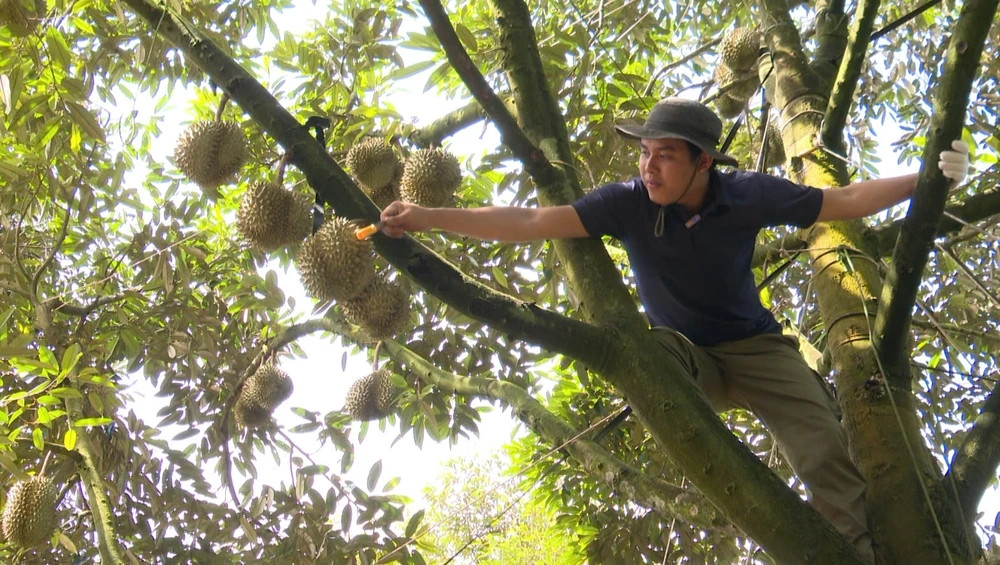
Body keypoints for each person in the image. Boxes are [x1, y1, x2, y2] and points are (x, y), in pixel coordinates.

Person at [379, 97, 971, 562]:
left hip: (760, 349)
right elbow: (533, 219)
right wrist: (429, 217)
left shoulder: (747, 195)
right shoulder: (629, 203)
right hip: (688, 357)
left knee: (824, 453)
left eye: (665, 154)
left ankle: (859, 556)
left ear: (703, 161)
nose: (648, 164)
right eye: (645, 152)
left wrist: (925, 179)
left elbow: (840, 200)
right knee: (648, 352)